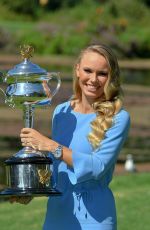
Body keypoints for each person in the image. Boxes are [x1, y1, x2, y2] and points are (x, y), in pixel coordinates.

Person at [12, 44, 130, 230]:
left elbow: (98, 167)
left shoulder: (119, 117)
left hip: (95, 218)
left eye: (102, 73)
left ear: (111, 76)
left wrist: (51, 146)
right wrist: (30, 187)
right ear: (77, 70)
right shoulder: (62, 111)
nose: (93, 79)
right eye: (88, 70)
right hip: (57, 214)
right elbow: (58, 168)